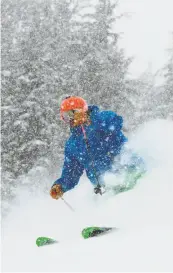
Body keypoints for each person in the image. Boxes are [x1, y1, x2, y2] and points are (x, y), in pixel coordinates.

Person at [50, 96, 144, 200]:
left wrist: (92, 123)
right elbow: (71, 172)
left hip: (132, 173)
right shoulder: (72, 144)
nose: (71, 119)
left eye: (72, 113)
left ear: (82, 111)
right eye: (66, 116)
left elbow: (116, 121)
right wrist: (61, 186)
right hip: (108, 189)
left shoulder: (101, 120)